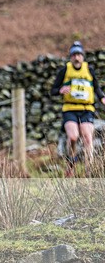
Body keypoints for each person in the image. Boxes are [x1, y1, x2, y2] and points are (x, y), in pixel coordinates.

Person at [50, 41, 105, 176]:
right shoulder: (64, 71)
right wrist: (61, 90)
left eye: (79, 54)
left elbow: (96, 87)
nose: (76, 57)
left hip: (87, 109)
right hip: (70, 109)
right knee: (73, 137)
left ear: (83, 56)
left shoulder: (89, 70)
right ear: (70, 57)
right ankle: (71, 163)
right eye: (74, 54)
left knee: (87, 137)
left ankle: (89, 170)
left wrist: (102, 97)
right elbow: (53, 90)